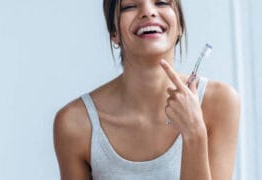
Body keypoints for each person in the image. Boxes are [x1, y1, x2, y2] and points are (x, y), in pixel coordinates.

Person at [53, 0, 240, 179]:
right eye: (130, 6)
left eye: (162, 2)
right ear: (114, 32)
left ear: (180, 25)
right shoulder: (76, 123)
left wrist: (194, 133)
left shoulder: (219, 102)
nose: (148, 12)